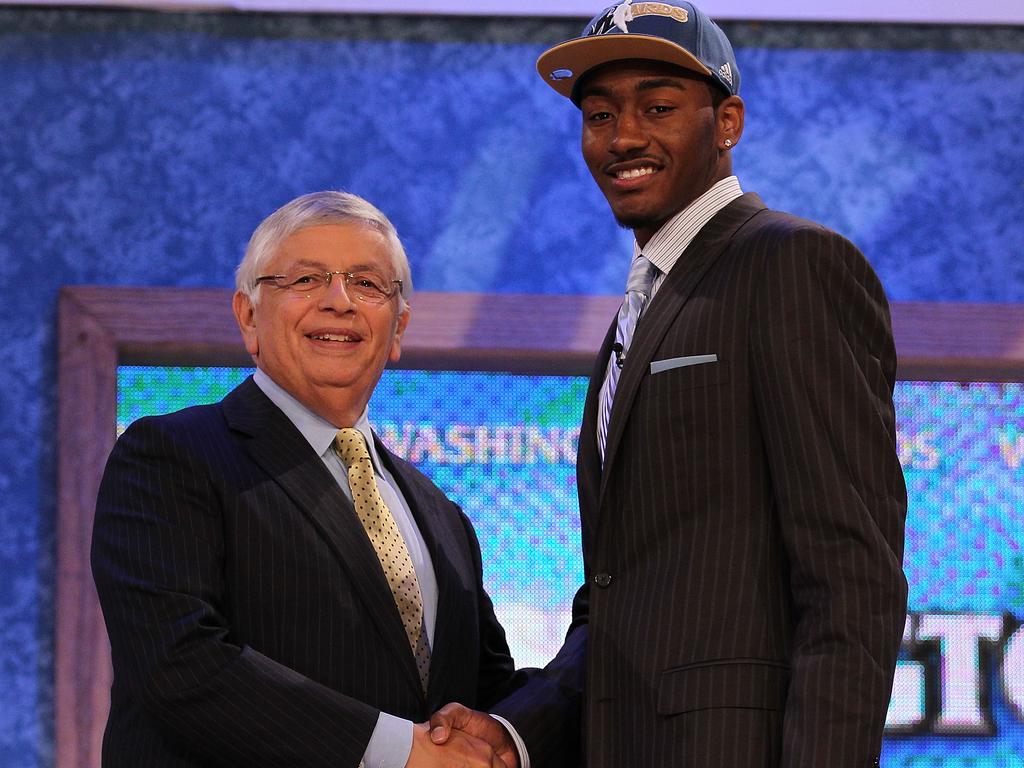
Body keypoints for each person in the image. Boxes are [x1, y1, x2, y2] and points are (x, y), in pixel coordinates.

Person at [430, 2, 909, 765]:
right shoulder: (642, 308)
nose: (623, 137)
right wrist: (519, 729)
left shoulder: (792, 264)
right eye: (599, 114)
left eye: (658, 107)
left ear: (727, 122)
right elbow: (620, 600)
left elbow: (851, 577)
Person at [91, 191, 526, 767]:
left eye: (368, 284)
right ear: (248, 316)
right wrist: (400, 752)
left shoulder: (440, 513)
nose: (340, 302)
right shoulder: (169, 457)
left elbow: (482, 691)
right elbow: (179, 663)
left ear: (397, 327)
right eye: (305, 280)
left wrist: (517, 731)